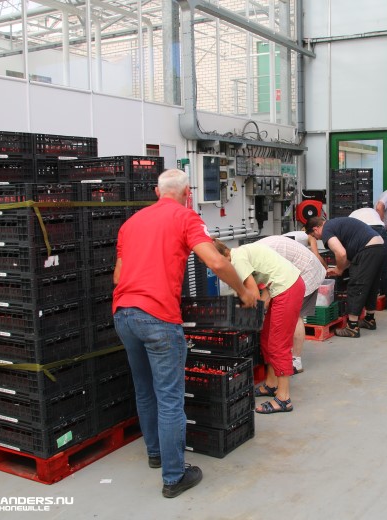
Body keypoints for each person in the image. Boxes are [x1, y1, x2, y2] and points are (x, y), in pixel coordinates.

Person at [112, 169, 257, 499]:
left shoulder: (130, 224)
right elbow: (216, 265)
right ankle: (174, 476)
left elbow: (118, 275)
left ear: (156, 191)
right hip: (158, 317)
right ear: (187, 194)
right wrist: (243, 292)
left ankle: (155, 454)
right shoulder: (186, 217)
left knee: (144, 389)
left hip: (124, 314)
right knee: (170, 399)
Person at [213, 240, 304, 414]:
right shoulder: (239, 255)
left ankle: (284, 399)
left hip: (287, 288)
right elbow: (262, 290)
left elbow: (253, 295)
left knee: (278, 344)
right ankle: (271, 384)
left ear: (223, 255)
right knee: (267, 337)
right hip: (281, 286)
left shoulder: (237, 260)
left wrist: (238, 314)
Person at [305, 216, 385, 338]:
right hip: (379, 246)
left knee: (356, 286)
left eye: (314, 236)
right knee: (371, 285)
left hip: (367, 248)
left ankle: (352, 327)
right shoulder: (335, 224)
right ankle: (369, 320)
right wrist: (339, 269)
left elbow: (341, 253)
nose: (317, 238)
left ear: (316, 229)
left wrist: (339, 269)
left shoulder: (326, 230)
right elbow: (347, 257)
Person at [258, 234, 326, 374]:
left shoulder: (258, 258)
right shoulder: (254, 250)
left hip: (306, 272)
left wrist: (260, 311)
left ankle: (295, 361)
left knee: (295, 315)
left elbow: (267, 292)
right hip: (302, 269)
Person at [349, 207, 387, 312]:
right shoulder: (373, 211)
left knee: (364, 270)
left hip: (366, 233)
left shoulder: (353, 214)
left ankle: (361, 305)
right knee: (384, 270)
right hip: (380, 231)